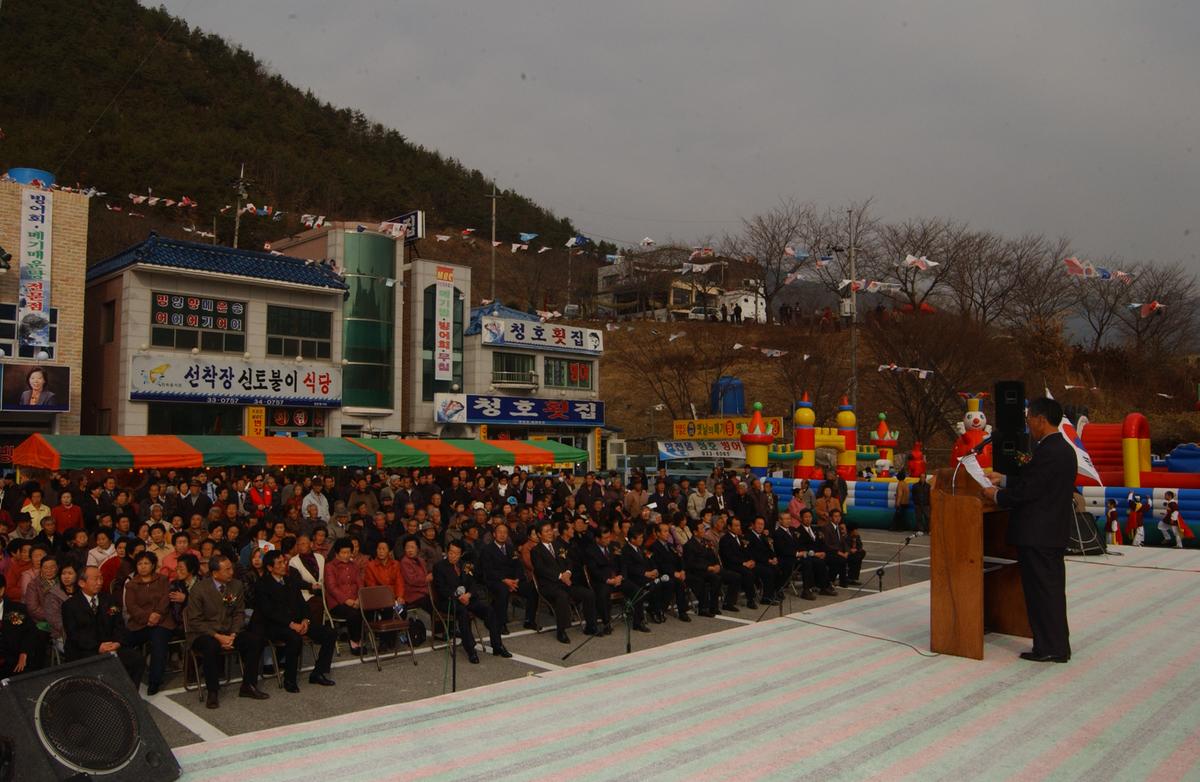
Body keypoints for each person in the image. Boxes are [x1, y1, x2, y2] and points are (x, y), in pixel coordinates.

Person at [983, 397, 1074, 664]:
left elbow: (1029, 491)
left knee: (1041, 593)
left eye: (1029, 419)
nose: (1028, 424)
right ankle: (1055, 645)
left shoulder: (1049, 451)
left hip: (1038, 534)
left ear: (1041, 419)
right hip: (1051, 532)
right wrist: (1005, 479)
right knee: (1050, 592)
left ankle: (1049, 648)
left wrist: (996, 495)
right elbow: (1037, 481)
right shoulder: (1061, 448)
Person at [185, 555, 270, 708]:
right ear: (215, 573)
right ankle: (212, 691)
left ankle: (248, 685)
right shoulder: (199, 589)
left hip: (229, 631)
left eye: (231, 568)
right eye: (227, 569)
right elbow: (195, 621)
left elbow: (239, 613)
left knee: (256, 640)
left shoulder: (236, 585)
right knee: (210, 647)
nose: (231, 572)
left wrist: (233, 634)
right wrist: (218, 636)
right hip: (204, 633)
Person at [257, 550, 336, 692]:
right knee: (294, 638)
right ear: (269, 567)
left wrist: (306, 620)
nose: (284, 565)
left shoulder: (290, 581)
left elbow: (302, 604)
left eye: (284, 561)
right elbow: (269, 612)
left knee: (329, 632)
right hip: (276, 625)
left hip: (299, 622)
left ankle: (318, 672)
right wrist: (291, 624)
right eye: (279, 563)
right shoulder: (263, 584)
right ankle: (290, 679)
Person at [62, 566, 144, 686]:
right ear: (81, 583)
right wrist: (98, 647)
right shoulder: (70, 605)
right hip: (85, 650)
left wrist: (117, 642)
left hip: (111, 645)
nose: (100, 582)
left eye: (101, 578)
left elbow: (119, 624)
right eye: (95, 579)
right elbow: (74, 634)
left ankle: (127, 694)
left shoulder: (110, 600)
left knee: (136, 659)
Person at [431, 540, 511, 662]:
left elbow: (473, 583)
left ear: (461, 554)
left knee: (488, 610)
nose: (453, 556)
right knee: (463, 613)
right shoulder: (439, 567)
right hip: (449, 601)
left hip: (467, 598)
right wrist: (458, 596)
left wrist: (469, 594)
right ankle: (470, 649)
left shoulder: (466, 565)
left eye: (456, 553)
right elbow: (441, 589)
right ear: (447, 552)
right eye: (451, 552)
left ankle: (497, 645)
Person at [530, 520, 598, 643]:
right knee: (562, 596)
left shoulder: (558, 546)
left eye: (551, 530)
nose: (550, 533)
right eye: (546, 531)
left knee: (588, 593)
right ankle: (561, 631)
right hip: (549, 586)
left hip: (566, 582)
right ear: (539, 534)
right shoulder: (536, 550)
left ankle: (591, 626)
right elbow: (541, 570)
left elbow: (568, 561)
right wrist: (560, 576)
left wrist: (568, 572)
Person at [122, 551, 175, 695]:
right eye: (140, 564)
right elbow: (131, 606)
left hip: (162, 621)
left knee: (158, 641)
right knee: (122, 641)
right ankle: (124, 676)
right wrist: (148, 617)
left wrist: (157, 614)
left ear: (153, 565)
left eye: (146, 563)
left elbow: (166, 599)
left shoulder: (163, 580)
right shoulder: (131, 585)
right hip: (139, 623)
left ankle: (154, 681)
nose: (143, 566)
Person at [479, 523, 537, 632]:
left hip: (513, 580)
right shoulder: (487, 549)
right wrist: (505, 580)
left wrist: (516, 580)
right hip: (496, 580)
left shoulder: (511, 548)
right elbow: (488, 570)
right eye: (500, 532)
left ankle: (529, 620)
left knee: (532, 589)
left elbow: (519, 566)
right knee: (503, 591)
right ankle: (501, 623)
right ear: (494, 534)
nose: (502, 535)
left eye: (505, 532)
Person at [324, 539, 364, 655]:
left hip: (356, 600)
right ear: (337, 553)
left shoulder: (354, 565)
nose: (346, 555)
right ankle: (355, 641)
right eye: (343, 553)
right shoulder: (330, 567)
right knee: (353, 613)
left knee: (368, 610)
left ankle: (363, 638)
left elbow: (360, 584)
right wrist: (346, 600)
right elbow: (332, 588)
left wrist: (359, 599)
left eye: (348, 552)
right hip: (337, 603)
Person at [648, 522, 691, 622]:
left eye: (668, 531)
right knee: (675, 583)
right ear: (658, 533)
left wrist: (682, 570)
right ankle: (658, 609)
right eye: (665, 531)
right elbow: (659, 565)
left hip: (675, 573)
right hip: (663, 575)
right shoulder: (654, 547)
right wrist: (673, 573)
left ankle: (682, 611)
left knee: (685, 579)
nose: (667, 533)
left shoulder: (670, 545)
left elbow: (679, 559)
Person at [583, 527, 622, 633]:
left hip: (617, 578)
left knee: (634, 586)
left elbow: (622, 563)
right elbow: (594, 571)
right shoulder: (590, 551)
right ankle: (606, 622)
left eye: (609, 537)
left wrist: (621, 576)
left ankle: (639, 619)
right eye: (605, 538)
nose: (608, 540)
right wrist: (608, 580)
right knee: (603, 592)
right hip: (601, 581)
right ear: (597, 539)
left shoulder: (614, 545)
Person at [0, 574, 39, 677]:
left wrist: (24, 653)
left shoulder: (17, 609)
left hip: (13, 660)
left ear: (1, 590)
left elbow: (30, 632)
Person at [682, 519, 722, 617]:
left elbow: (713, 556)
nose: (704, 530)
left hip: (708, 569)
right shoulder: (689, 545)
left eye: (704, 528)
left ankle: (713, 606)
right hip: (695, 572)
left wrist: (716, 564)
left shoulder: (706, 542)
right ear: (695, 532)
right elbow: (691, 564)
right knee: (707, 579)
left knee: (719, 577)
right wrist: (707, 567)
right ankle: (703, 608)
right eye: (701, 529)